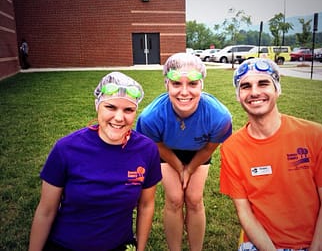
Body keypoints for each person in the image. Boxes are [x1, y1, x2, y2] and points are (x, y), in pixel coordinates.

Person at [219, 58, 322, 251]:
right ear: (238, 95)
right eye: (245, 86)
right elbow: (245, 213)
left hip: (318, 244)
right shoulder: (232, 148)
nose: (254, 92)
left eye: (263, 83)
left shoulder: (316, 136)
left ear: (277, 89)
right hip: (262, 245)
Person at [29, 72, 162, 251]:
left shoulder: (147, 150)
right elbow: (46, 211)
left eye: (128, 110)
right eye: (111, 107)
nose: (119, 118)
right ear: (97, 106)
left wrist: (140, 248)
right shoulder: (66, 148)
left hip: (119, 244)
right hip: (67, 245)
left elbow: (146, 205)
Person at [136, 52, 232, 251]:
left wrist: (189, 170)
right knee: (174, 199)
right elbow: (157, 146)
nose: (184, 92)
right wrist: (179, 167)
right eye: (176, 84)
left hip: (199, 152)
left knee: (195, 199)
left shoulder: (219, 116)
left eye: (193, 84)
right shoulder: (150, 117)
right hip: (167, 151)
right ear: (166, 85)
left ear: (202, 85)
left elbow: (208, 148)